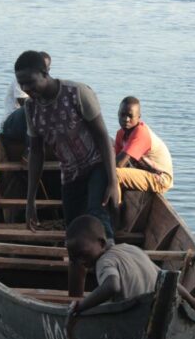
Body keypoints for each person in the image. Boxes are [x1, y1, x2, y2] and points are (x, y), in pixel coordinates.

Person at [14, 50, 119, 297]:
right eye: (22, 84)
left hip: (96, 166)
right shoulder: (31, 109)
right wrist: (30, 201)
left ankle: (114, 287)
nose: (27, 88)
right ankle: (76, 301)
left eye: (31, 81)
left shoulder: (77, 93)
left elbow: (103, 137)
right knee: (74, 239)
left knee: (97, 220)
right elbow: (36, 154)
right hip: (70, 174)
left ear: (45, 74)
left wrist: (113, 180)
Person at [65, 215, 195, 322]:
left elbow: (112, 286)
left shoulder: (104, 262)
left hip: (135, 319)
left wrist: (81, 306)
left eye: (82, 253)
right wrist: (193, 303)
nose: (78, 261)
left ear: (102, 243)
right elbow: (167, 278)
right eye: (73, 258)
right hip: (157, 316)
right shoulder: (132, 249)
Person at [114, 96, 173, 194]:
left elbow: (118, 164)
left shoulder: (141, 133)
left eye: (130, 116)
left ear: (138, 117)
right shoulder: (120, 133)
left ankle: (115, 208)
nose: (126, 119)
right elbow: (116, 159)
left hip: (160, 178)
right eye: (122, 115)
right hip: (145, 172)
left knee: (115, 174)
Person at [2, 51, 51, 143]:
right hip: (13, 123)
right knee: (30, 109)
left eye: (45, 68)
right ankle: (29, 151)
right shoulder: (23, 79)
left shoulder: (46, 83)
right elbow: (24, 104)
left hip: (31, 122)